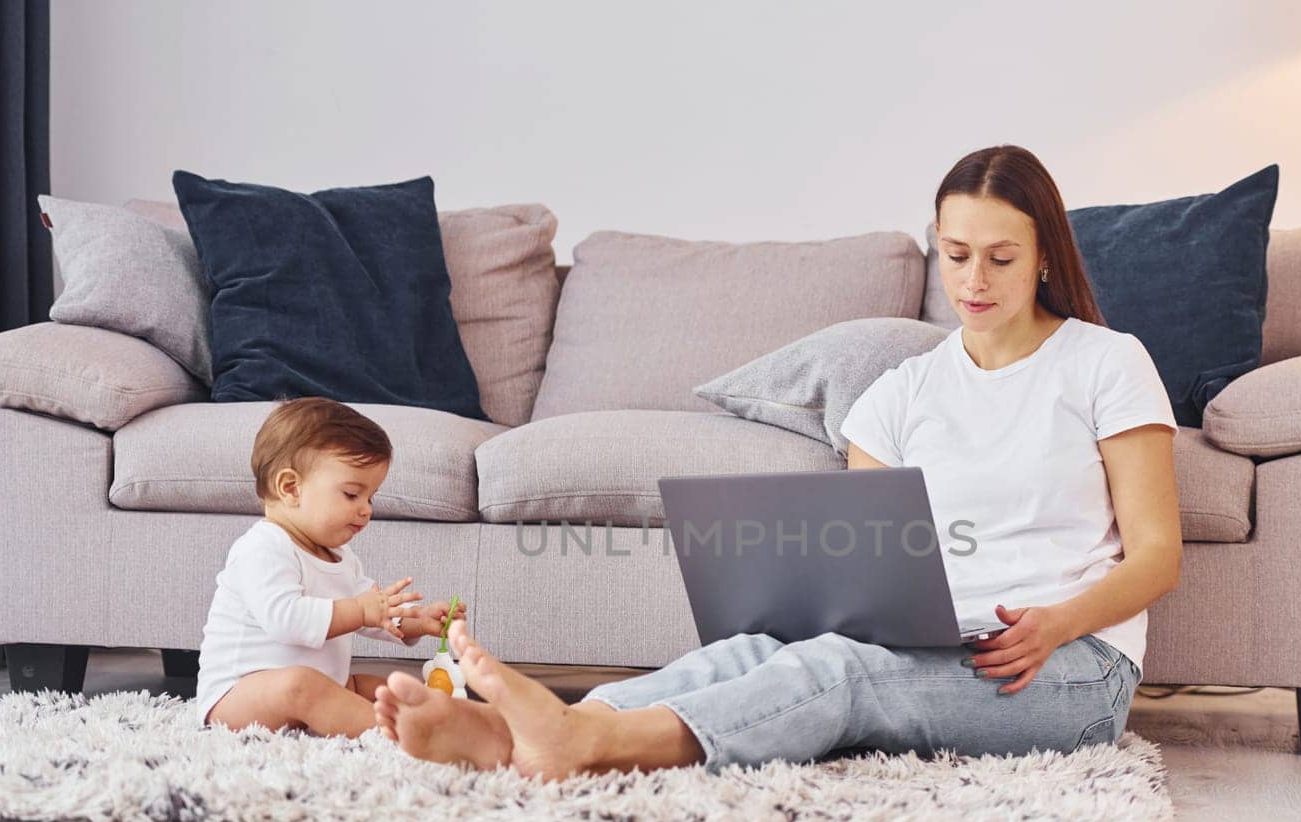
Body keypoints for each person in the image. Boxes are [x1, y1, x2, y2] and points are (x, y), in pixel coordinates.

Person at [373, 145, 1181, 780]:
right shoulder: (899, 395)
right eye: (956, 253)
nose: (973, 280)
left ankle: (588, 740)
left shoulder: (1105, 364)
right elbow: (877, 574)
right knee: (757, 653)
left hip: (1071, 667)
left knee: (840, 674)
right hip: (935, 642)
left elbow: (1157, 554)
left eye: (1001, 259)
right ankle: (507, 727)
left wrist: (1060, 622)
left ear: (1044, 255)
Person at [196, 397, 463, 736]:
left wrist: (417, 620)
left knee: (378, 688)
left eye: (371, 497)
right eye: (352, 494)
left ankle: (442, 721)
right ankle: (400, 736)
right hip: (237, 698)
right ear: (291, 488)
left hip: (311, 689)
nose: (366, 509)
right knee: (303, 684)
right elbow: (287, 620)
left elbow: (375, 613)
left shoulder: (340, 558)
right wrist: (360, 610)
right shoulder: (262, 548)